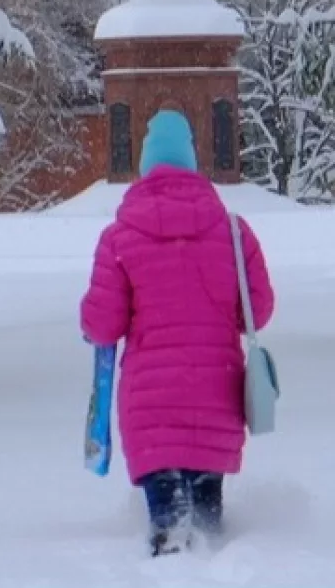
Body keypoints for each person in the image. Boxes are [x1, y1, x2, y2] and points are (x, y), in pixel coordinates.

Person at [79, 109, 275, 556]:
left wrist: (87, 314)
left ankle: (169, 553)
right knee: (210, 528)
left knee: (169, 533)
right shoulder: (233, 232)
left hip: (152, 411)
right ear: (192, 163)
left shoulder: (120, 237)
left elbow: (102, 324)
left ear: (146, 167)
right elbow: (258, 312)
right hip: (217, 400)